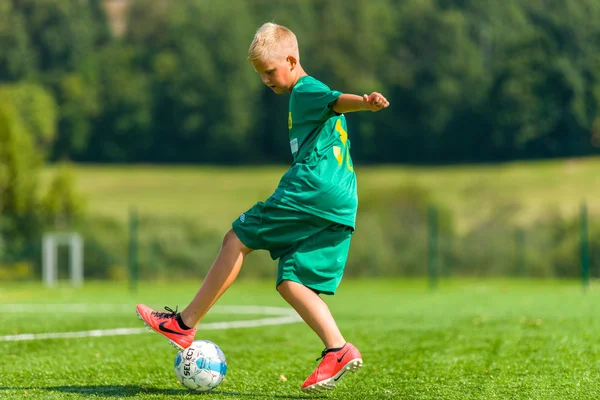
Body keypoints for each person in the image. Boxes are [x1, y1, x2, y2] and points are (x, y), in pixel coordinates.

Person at [136, 22, 389, 393]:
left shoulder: (304, 89)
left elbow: (335, 100)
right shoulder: (299, 97)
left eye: (270, 72)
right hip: (341, 203)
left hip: (311, 190)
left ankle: (183, 324)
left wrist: (364, 103)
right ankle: (338, 349)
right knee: (291, 282)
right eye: (260, 75)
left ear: (291, 59)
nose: (266, 80)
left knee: (236, 238)